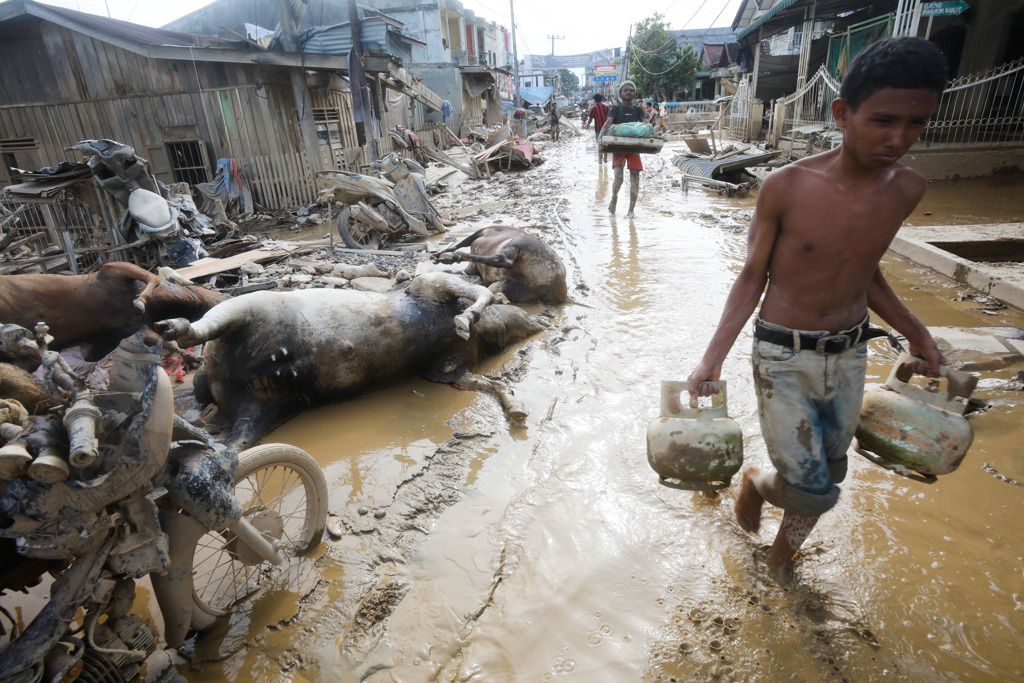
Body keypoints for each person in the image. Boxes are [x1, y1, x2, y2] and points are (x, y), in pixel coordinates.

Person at [686, 37, 949, 586]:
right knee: (811, 486)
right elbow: (752, 277)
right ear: (842, 113)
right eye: (883, 121)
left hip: (850, 353)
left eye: (917, 123)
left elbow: (865, 272)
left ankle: (776, 537)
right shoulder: (786, 187)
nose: (898, 138)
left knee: (830, 472)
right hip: (782, 355)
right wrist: (712, 358)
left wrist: (917, 333)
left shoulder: (907, 189)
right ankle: (766, 511)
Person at [598, 80, 647, 217]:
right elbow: (608, 123)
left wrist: (653, 132)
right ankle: (614, 197)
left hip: (634, 148)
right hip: (618, 148)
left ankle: (631, 210)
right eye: (625, 90)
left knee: (635, 179)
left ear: (634, 94)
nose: (628, 92)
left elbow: (646, 124)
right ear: (620, 94)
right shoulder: (615, 109)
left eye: (631, 90)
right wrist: (600, 139)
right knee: (618, 180)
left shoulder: (638, 110)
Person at [587, 93, 610, 164]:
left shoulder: (593, 109)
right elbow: (610, 118)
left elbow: (590, 118)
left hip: (598, 129)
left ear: (594, 100)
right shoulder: (606, 107)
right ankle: (605, 159)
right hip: (606, 129)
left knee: (600, 144)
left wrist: (588, 124)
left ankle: (600, 160)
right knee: (606, 144)